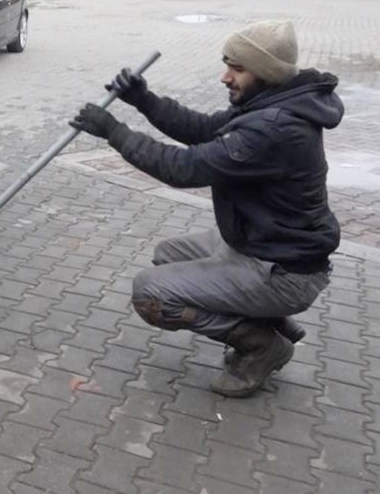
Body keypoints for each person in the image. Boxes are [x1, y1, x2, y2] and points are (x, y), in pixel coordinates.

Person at [69, 20, 342, 398]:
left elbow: (183, 168)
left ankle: (262, 345)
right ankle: (271, 318)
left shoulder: (274, 128)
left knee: (152, 294)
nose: (225, 76)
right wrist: (143, 99)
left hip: (283, 270)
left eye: (238, 68)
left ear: (265, 72)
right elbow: (200, 128)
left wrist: (114, 131)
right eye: (227, 63)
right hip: (262, 247)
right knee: (167, 255)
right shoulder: (270, 103)